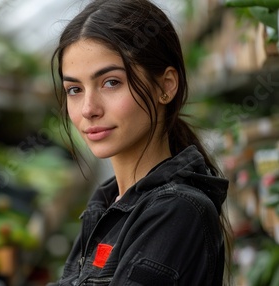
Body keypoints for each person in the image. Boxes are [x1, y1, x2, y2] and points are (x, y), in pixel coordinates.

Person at [49, 0, 233, 285]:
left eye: (111, 82)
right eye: (74, 89)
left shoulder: (175, 211)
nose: (88, 108)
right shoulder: (108, 203)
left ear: (166, 86)